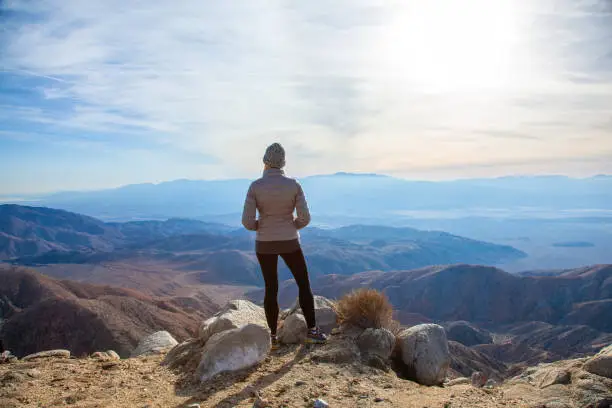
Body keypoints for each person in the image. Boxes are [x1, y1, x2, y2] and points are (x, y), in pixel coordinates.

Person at [242, 143, 327, 349]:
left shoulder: (255, 186)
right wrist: (292, 226)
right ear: (283, 163)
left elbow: (247, 222)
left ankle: (272, 337)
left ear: (265, 161)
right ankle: (313, 331)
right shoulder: (294, 185)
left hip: (264, 243)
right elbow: (305, 218)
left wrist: (259, 227)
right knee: (303, 284)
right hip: (290, 241)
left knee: (271, 288)